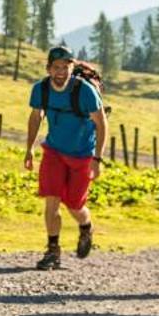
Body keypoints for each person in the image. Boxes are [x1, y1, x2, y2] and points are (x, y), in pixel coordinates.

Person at [22, 46, 107, 270]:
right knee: (52, 199)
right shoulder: (41, 89)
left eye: (66, 67)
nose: (61, 72)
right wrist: (29, 148)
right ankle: (53, 251)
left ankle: (86, 227)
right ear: (49, 68)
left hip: (82, 156)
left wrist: (97, 160)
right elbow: (35, 117)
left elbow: (101, 124)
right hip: (54, 151)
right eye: (56, 67)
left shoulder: (84, 91)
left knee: (74, 205)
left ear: (72, 67)